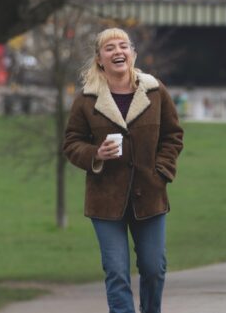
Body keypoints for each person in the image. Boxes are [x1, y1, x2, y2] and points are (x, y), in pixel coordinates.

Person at [63, 28, 183, 313]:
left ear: (133, 54)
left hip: (150, 195)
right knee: (117, 273)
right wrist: (96, 154)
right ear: (99, 59)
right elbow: (71, 143)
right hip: (105, 199)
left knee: (154, 269)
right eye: (109, 48)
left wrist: (162, 172)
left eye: (123, 46)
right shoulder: (86, 99)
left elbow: (173, 135)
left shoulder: (155, 91)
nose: (118, 51)